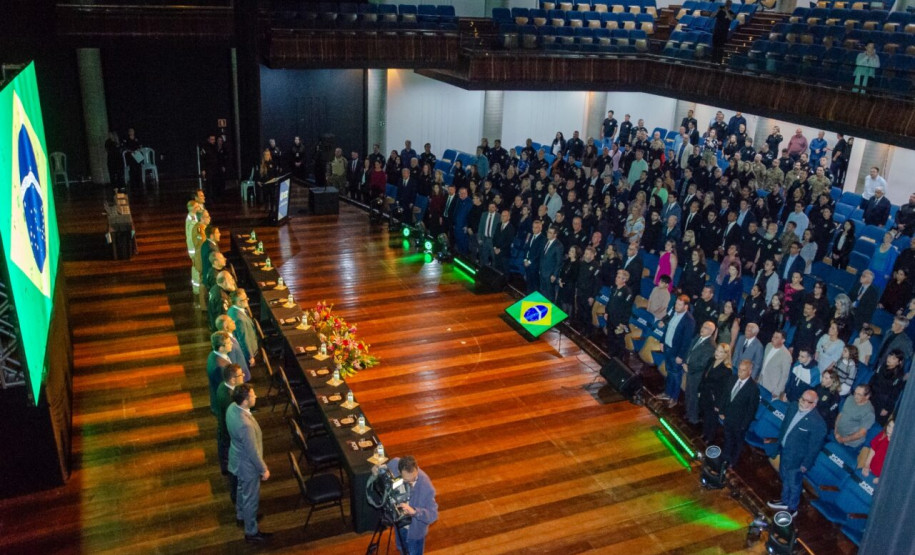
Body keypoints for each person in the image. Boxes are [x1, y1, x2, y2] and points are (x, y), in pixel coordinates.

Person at [768, 389, 827, 517]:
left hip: (798, 459)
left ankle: (792, 507)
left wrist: (806, 464)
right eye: (802, 399)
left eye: (807, 401)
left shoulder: (818, 423)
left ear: (814, 404)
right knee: (784, 476)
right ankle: (785, 500)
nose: (803, 402)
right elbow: (785, 426)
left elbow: (814, 448)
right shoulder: (793, 407)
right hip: (785, 450)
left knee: (794, 483)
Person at [227, 383, 271, 542]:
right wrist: (263, 469)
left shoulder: (232, 407)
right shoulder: (245, 425)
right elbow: (252, 451)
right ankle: (251, 531)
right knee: (251, 499)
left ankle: (240, 515)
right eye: (252, 395)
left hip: (236, 459)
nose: (256, 397)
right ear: (245, 401)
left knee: (241, 489)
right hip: (248, 466)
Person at [384, 456, 438, 555]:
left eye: (414, 479)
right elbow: (385, 469)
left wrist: (415, 511)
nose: (412, 483)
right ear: (399, 472)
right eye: (407, 481)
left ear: (417, 470)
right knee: (401, 548)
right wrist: (377, 470)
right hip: (400, 525)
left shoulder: (426, 487)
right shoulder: (395, 463)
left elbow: (433, 515)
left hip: (414, 533)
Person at [714, 359, 760, 469]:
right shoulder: (733, 378)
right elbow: (726, 394)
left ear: (750, 371)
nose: (740, 373)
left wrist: (744, 425)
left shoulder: (753, 389)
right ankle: (725, 457)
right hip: (728, 417)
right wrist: (721, 410)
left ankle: (732, 461)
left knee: (737, 443)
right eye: (739, 369)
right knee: (728, 439)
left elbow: (751, 410)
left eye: (743, 371)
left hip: (739, 422)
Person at [656, 295, 696, 408]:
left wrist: (681, 356)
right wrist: (662, 341)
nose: (676, 306)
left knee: (676, 375)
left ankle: (674, 398)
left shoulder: (689, 320)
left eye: (679, 305)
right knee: (669, 371)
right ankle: (667, 393)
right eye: (676, 304)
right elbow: (667, 328)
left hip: (677, 352)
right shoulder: (673, 312)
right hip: (668, 347)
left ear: (686, 307)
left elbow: (686, 341)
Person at [217, 364, 245, 502]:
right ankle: (235, 496)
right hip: (230, 436)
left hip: (223, 430)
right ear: (233, 380)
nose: (244, 375)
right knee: (235, 473)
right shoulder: (230, 400)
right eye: (241, 375)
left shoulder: (222, 386)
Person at [683, 321, 717, 424]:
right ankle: (688, 412)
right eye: (703, 326)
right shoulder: (698, 337)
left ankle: (693, 418)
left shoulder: (711, 346)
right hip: (689, 370)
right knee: (688, 393)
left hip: (697, 374)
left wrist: (689, 367)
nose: (702, 328)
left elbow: (702, 364)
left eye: (706, 328)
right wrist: (685, 361)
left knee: (693, 395)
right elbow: (690, 350)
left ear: (711, 332)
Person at [869, 349, 906, 425]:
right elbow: (873, 380)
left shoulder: (898, 377)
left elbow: (894, 395)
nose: (889, 359)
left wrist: (886, 408)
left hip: (883, 403)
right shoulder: (882, 367)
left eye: (893, 358)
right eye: (889, 356)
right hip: (873, 395)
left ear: (899, 362)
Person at [834, 384, 876, 449]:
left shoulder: (869, 412)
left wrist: (843, 439)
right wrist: (836, 431)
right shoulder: (850, 398)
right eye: (855, 393)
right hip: (837, 434)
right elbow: (840, 415)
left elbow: (861, 433)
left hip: (849, 443)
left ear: (867, 396)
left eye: (859, 394)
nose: (855, 396)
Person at [758, 330, 792, 399]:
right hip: (761, 381)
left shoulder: (786, 355)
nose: (773, 338)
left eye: (776, 337)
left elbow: (784, 376)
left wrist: (778, 391)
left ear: (783, 340)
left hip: (772, 387)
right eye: (773, 336)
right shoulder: (768, 345)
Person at [858, 417, 893, 483]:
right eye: (889, 426)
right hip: (871, 468)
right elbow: (873, 449)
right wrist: (867, 465)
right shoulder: (883, 434)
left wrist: (881, 478)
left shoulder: (896, 446)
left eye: (893, 428)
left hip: (880, 477)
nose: (889, 430)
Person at [207, 332, 233, 416]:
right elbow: (226, 388)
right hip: (224, 404)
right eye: (229, 343)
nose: (231, 343)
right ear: (221, 348)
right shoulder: (220, 367)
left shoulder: (212, 354)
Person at [539, 226, 564, 302]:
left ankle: (550, 309)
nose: (548, 234)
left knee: (550, 294)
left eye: (550, 233)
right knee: (542, 291)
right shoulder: (546, 241)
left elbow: (559, 262)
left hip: (550, 274)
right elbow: (543, 256)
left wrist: (554, 275)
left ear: (555, 234)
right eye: (548, 232)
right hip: (543, 271)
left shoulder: (558, 246)